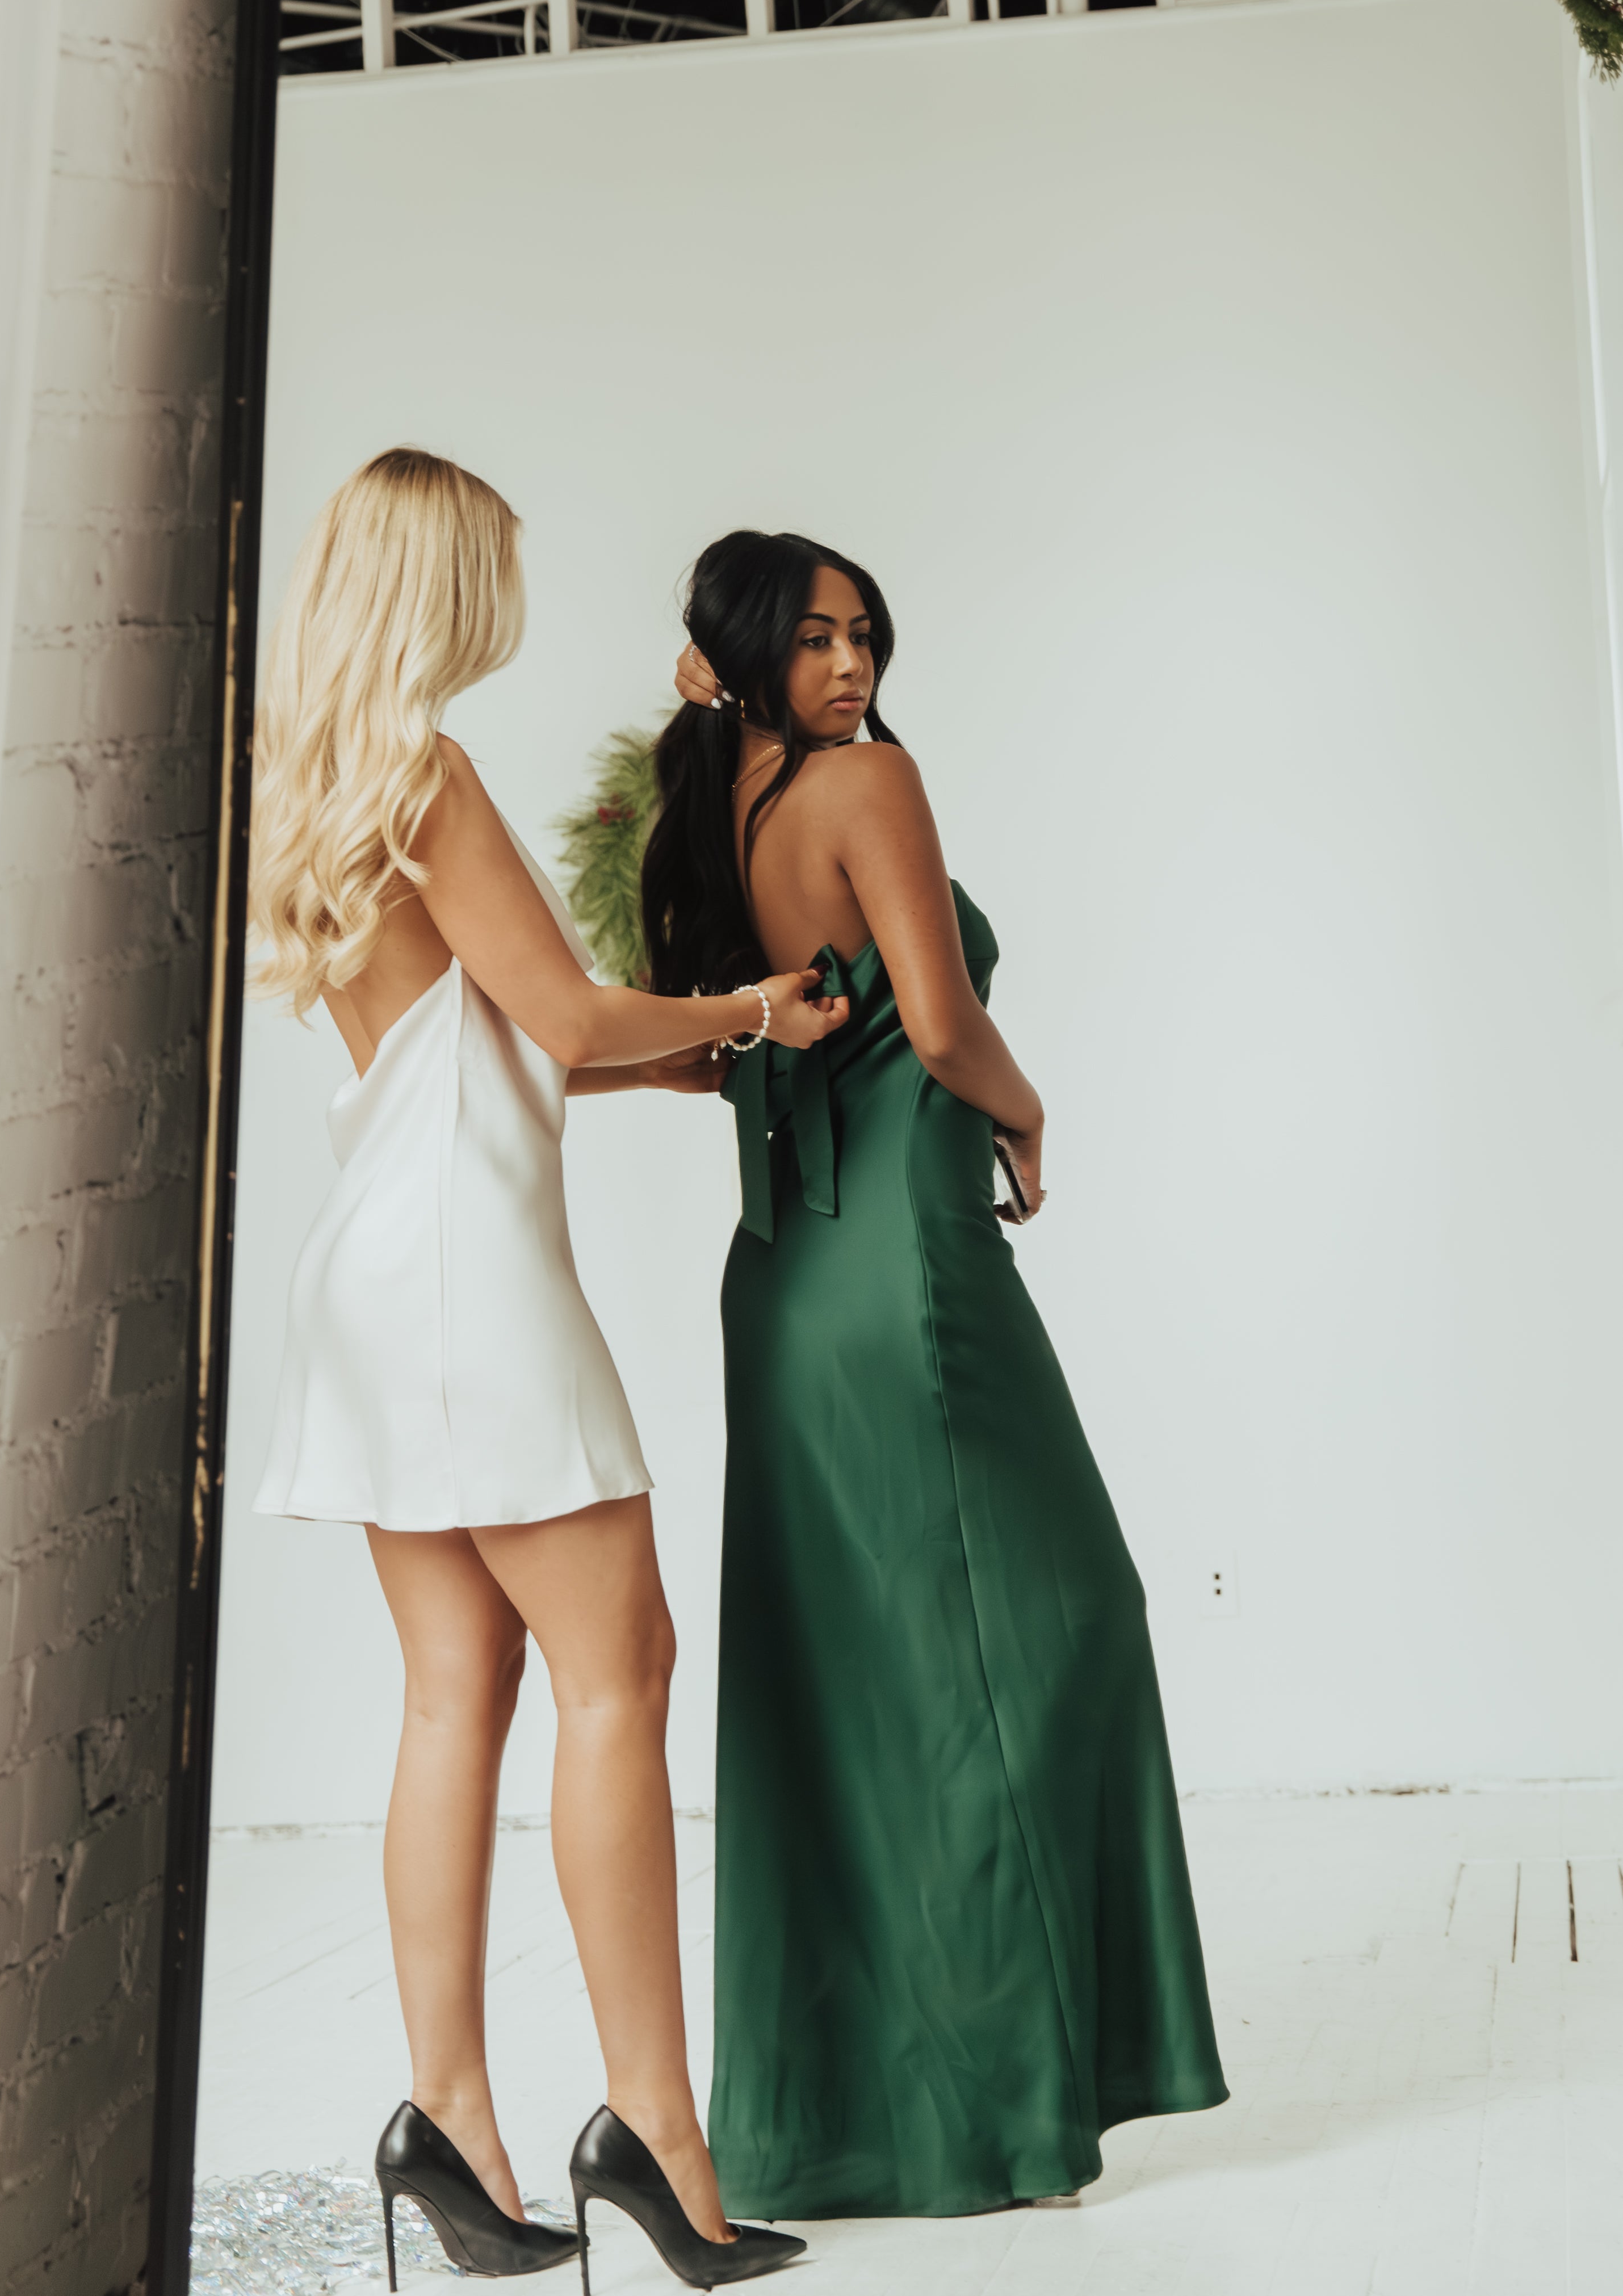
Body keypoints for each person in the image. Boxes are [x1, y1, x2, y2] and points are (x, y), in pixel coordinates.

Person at [246, 452, 830, 2289]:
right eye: (493, 562)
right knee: (617, 1666)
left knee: (454, 1692)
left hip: (375, 1266)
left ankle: (450, 2120)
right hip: (466, 1279)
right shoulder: (426, 768)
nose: (512, 588)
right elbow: (559, 1014)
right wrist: (750, 1011)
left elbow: (490, 1040)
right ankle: (656, 2130)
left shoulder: (323, 774)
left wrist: (671, 1061)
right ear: (443, 581)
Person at [644, 529, 1227, 2221]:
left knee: (859, 1683)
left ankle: (861, 2115)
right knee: (1049, 1626)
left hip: (784, 1277)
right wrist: (1029, 1115)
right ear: (751, 652)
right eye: (813, 639)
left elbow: (696, 1043)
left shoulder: (709, 807)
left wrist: (711, 697)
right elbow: (944, 1019)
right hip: (910, 1259)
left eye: (865, 636)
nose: (852, 668)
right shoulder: (866, 783)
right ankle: (1001, 2112)